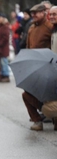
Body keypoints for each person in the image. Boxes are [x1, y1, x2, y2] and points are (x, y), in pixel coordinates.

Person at [22, 3, 53, 131]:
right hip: (34, 66)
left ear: (44, 13)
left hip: (48, 66)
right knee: (27, 94)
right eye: (32, 14)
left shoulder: (50, 27)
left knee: (48, 94)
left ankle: (51, 115)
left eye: (36, 13)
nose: (33, 16)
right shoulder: (31, 27)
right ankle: (37, 120)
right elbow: (29, 46)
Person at [0, 13, 11, 83]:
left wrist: (0, 44)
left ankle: (6, 75)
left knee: (4, 62)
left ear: (3, 18)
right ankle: (2, 75)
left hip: (3, 48)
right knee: (0, 62)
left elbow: (5, 37)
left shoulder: (5, 26)